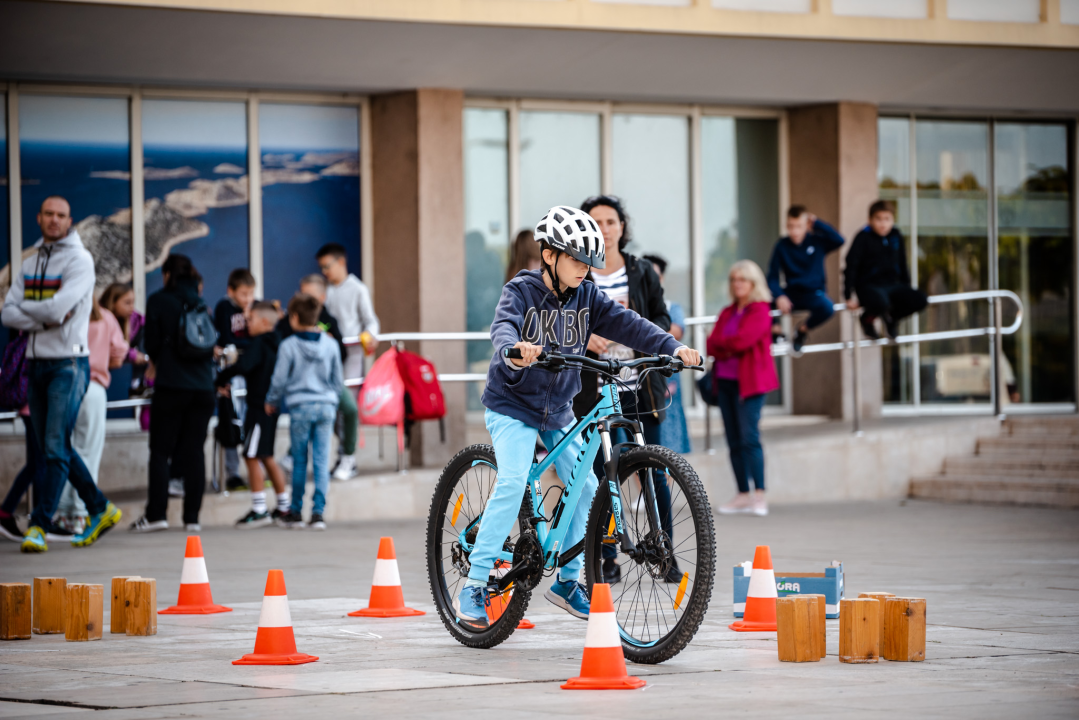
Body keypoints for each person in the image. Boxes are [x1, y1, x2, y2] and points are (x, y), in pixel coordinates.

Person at [454, 205, 700, 630]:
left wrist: (672, 347)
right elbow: (504, 328)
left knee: (587, 485)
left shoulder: (587, 296)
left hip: (558, 410)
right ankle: (474, 584)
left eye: (590, 262)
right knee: (513, 481)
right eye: (575, 259)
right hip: (512, 405)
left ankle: (568, 582)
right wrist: (515, 350)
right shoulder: (522, 289)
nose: (585, 270)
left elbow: (630, 323)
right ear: (549, 255)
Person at [0, 195, 122, 552]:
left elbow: (58, 310)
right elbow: (8, 313)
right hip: (35, 365)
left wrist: (34, 313)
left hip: (68, 364)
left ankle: (39, 525)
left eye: (61, 215)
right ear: (38, 218)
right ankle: (100, 508)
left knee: (53, 445)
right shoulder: (32, 260)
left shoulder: (80, 260)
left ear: (70, 221)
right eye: (49, 214)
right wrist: (46, 315)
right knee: (51, 447)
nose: (54, 220)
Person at [572, 196, 678, 586]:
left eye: (611, 221)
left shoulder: (642, 270)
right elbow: (561, 322)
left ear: (622, 226)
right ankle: (605, 557)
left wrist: (658, 340)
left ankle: (663, 552)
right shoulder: (578, 272)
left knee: (654, 471)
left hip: (639, 387)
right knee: (601, 476)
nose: (604, 228)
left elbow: (661, 316)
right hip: (591, 389)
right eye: (595, 221)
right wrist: (586, 339)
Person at [130, 254, 216, 533]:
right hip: (203, 388)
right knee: (195, 451)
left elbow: (152, 344)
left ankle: (157, 515)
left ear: (167, 274)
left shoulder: (158, 300)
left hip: (171, 386)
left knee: (160, 452)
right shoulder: (201, 303)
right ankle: (192, 518)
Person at [266, 293, 343, 531]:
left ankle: (296, 512)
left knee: (299, 460)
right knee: (321, 460)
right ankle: (318, 513)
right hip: (326, 407)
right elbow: (337, 380)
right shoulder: (330, 344)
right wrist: (332, 400)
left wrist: (272, 400)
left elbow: (279, 379)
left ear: (295, 317)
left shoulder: (288, 346)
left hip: (300, 407)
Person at [708, 260, 779, 517]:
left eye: (743, 279)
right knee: (733, 440)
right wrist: (726, 344)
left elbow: (743, 341)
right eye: (734, 279)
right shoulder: (728, 312)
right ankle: (742, 494)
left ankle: (759, 495)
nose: (738, 284)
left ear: (753, 283)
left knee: (749, 438)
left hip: (750, 385)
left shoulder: (760, 310)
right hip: (725, 382)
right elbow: (710, 343)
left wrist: (724, 344)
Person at [54, 295, 128, 533]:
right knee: (88, 451)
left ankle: (64, 513)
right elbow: (119, 352)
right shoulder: (105, 317)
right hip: (94, 385)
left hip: (65, 386)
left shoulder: (63, 315)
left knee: (66, 449)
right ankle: (81, 513)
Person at [216, 301, 290, 528]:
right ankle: (284, 507)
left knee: (250, 455)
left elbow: (244, 365)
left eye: (250, 320)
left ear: (265, 322)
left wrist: (220, 377)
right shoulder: (279, 343)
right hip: (272, 407)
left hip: (259, 407)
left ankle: (259, 509)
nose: (246, 324)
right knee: (266, 456)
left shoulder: (259, 343)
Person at [317, 244, 378, 479]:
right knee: (333, 411)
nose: (324, 271)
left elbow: (371, 321)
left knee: (348, 411)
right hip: (330, 360)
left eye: (327, 266)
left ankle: (348, 459)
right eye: (321, 267)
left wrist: (370, 335)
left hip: (351, 359)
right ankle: (342, 456)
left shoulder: (357, 288)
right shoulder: (327, 291)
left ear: (341, 262)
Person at [287, 274, 356, 481]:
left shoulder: (329, 320)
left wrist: (325, 344)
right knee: (309, 415)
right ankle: (291, 456)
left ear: (322, 297)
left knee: (350, 409)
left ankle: (348, 458)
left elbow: (342, 353)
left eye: (308, 295)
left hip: (327, 382)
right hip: (303, 384)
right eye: (301, 294)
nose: (304, 300)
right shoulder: (292, 320)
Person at [844, 200, 928, 341]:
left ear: (893, 220)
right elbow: (851, 266)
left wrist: (905, 288)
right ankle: (867, 320)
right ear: (869, 220)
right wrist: (848, 295)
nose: (883, 223)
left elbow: (902, 263)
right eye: (878, 219)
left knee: (920, 300)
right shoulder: (862, 237)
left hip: (892, 285)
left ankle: (891, 319)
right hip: (868, 286)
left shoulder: (896, 236)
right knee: (881, 303)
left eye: (887, 219)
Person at [766, 205, 846, 353]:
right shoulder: (782, 245)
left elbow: (839, 240)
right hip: (791, 294)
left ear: (807, 225)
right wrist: (780, 296)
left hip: (813, 293)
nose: (795, 231)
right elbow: (772, 277)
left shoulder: (817, 241)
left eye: (799, 226)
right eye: (791, 226)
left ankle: (802, 331)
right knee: (761, 302)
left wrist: (817, 223)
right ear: (786, 225)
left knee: (828, 307)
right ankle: (777, 332)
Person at [642, 254, 691, 457]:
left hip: (664, 383)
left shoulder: (671, 307)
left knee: (669, 447)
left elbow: (677, 332)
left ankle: (665, 489)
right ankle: (646, 490)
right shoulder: (630, 307)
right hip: (639, 381)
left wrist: (641, 329)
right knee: (638, 445)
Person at [214, 268, 256, 492]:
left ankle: (254, 472)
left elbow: (261, 337)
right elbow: (226, 338)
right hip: (231, 372)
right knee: (231, 420)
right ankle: (232, 473)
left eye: (251, 294)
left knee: (251, 420)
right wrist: (247, 347)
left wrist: (250, 316)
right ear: (231, 291)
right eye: (243, 294)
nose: (248, 299)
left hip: (250, 374)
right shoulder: (224, 307)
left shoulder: (254, 307)